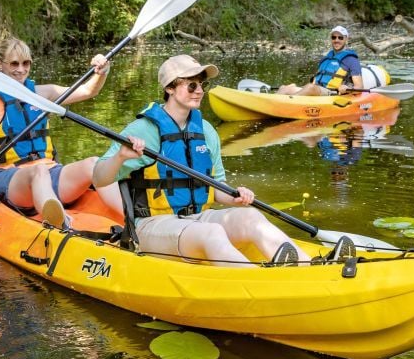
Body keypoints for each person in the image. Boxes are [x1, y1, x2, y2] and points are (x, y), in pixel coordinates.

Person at [93, 54, 353, 267]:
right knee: (212, 233)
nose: (199, 91)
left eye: (201, 85)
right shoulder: (143, 130)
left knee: (250, 216)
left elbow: (217, 189)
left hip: (198, 217)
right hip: (153, 226)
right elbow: (99, 177)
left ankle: (308, 268)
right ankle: (256, 283)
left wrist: (235, 197)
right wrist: (120, 157)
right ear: (170, 88)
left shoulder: (206, 131)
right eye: (191, 85)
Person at [0, 37, 122, 227]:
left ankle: (132, 221)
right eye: (14, 64)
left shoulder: (44, 94)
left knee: (94, 163)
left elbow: (87, 91)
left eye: (25, 63)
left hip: (51, 172)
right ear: (0, 65)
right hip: (10, 180)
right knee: (38, 171)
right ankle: (61, 225)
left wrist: (102, 73)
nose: (21, 70)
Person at [277, 25, 364, 97]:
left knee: (310, 88)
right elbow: (316, 80)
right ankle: (272, 104)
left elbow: (359, 87)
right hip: (317, 90)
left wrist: (347, 89)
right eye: (334, 37)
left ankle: (289, 103)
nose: (336, 40)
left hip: (333, 93)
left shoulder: (352, 60)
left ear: (346, 39)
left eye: (340, 38)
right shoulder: (326, 59)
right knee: (285, 88)